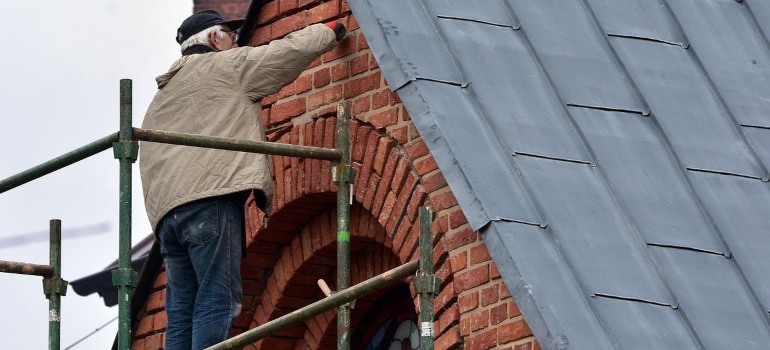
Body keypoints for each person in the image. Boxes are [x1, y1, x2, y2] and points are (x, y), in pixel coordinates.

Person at [139, 10, 346, 349]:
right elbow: (285, 53)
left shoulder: (160, 99)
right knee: (217, 299)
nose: (236, 41)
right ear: (213, 38)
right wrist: (329, 29)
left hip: (167, 220)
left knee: (181, 312)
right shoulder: (227, 67)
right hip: (210, 199)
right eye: (230, 36)